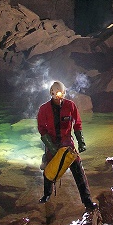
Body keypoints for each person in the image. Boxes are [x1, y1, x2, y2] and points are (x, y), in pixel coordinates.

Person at [37, 81, 97, 211]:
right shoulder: (44, 109)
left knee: (78, 170)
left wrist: (81, 142)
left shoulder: (70, 106)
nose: (59, 97)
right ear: (51, 93)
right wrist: (51, 147)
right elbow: (42, 129)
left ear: (64, 93)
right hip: (52, 141)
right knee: (49, 169)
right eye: (56, 94)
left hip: (67, 142)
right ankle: (47, 194)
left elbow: (77, 124)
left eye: (61, 94)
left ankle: (87, 201)